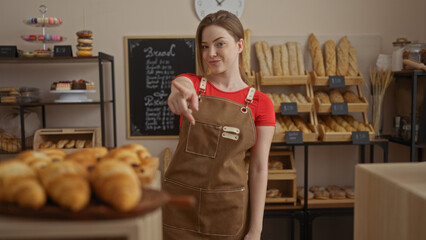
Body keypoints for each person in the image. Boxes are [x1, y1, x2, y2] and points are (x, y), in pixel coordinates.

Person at [163, 10, 275, 240]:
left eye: (219, 44)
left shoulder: (260, 103)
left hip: (227, 211)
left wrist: (256, 230)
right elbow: (182, 83)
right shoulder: (193, 85)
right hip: (180, 208)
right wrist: (178, 87)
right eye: (204, 46)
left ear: (240, 45)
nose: (210, 54)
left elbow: (259, 168)